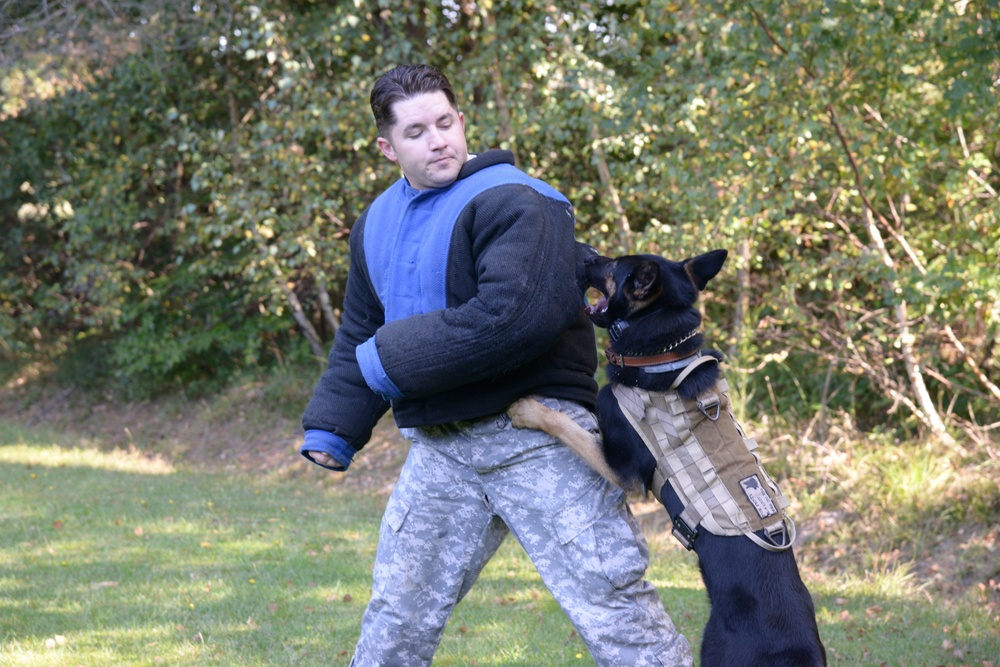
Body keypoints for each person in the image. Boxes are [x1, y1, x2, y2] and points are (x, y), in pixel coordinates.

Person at [301, 63, 693, 667]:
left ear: (462, 121)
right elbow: (361, 329)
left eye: (444, 122)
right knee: (396, 616)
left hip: (537, 433)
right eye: (415, 132)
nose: (437, 140)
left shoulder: (519, 200)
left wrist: (386, 359)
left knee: (613, 607)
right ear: (387, 147)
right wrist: (335, 427)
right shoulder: (375, 224)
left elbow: (512, 319)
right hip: (441, 447)